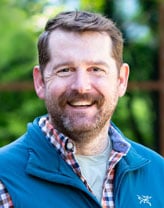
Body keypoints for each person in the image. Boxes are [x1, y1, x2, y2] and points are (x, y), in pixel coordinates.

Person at [0, 10, 164, 208]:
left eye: (96, 69)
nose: (81, 86)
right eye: (65, 70)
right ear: (40, 81)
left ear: (121, 80)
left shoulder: (158, 173)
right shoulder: (4, 178)